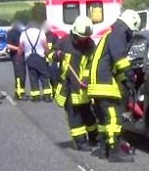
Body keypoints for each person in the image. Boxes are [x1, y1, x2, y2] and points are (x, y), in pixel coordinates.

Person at [88, 9, 141, 162]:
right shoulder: (119, 33)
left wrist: (124, 80)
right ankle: (115, 152)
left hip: (97, 84)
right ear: (131, 25)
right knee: (114, 118)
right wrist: (130, 76)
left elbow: (112, 63)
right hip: (104, 84)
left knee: (104, 120)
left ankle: (104, 149)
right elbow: (119, 59)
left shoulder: (112, 32)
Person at [53, 16, 98, 151]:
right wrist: (57, 55)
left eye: (86, 37)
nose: (84, 39)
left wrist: (87, 79)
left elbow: (93, 64)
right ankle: (80, 142)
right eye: (81, 37)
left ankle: (93, 138)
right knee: (75, 116)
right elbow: (49, 55)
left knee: (89, 115)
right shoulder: (64, 42)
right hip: (69, 87)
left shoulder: (90, 45)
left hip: (84, 87)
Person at [19, 21, 53, 102]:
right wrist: (49, 54)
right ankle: (47, 96)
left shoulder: (24, 34)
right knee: (44, 77)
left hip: (29, 58)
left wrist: (18, 57)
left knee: (33, 78)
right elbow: (45, 46)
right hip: (40, 57)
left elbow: (21, 47)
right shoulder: (41, 33)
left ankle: (35, 97)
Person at [6, 20, 27, 100]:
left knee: (23, 74)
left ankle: (19, 92)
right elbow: (8, 45)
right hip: (16, 56)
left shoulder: (22, 32)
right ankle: (20, 93)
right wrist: (18, 49)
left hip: (23, 56)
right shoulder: (11, 33)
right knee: (19, 75)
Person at [43, 22, 60, 93]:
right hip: (43, 59)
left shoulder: (54, 36)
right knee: (46, 76)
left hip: (52, 60)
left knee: (54, 76)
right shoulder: (42, 36)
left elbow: (57, 47)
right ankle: (49, 91)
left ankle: (55, 90)